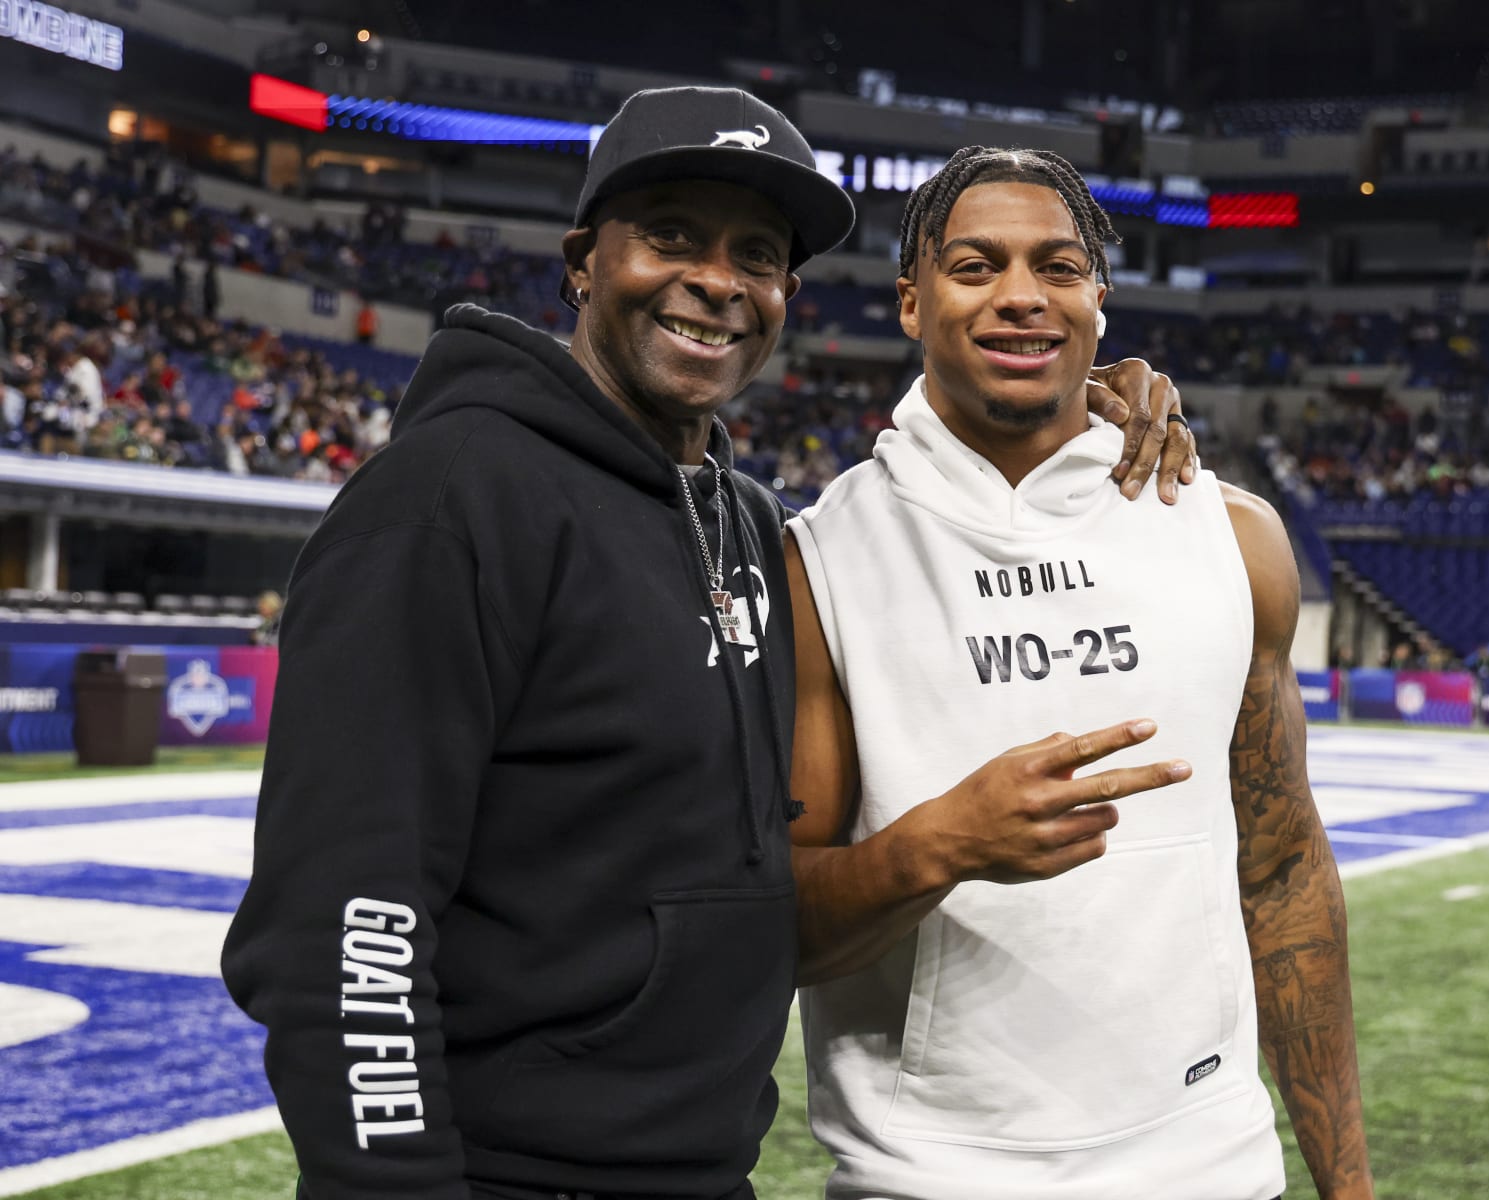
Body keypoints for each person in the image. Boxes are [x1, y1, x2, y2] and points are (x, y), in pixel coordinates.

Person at [222, 90, 1194, 1200]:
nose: (720, 281)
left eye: (759, 255)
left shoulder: (744, 521)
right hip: (505, 1174)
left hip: (698, 1170)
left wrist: (1097, 401)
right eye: (673, 235)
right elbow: (344, 925)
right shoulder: (450, 501)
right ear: (586, 259)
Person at [785, 148, 1371, 1200]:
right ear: (911, 303)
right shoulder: (819, 560)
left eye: (1057, 266)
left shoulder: (1233, 537)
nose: (1021, 296)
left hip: (1216, 1174)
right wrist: (938, 845)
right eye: (975, 266)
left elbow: (1281, 876)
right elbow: (774, 924)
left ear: (1100, 301)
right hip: (928, 1182)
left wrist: (1350, 1188)